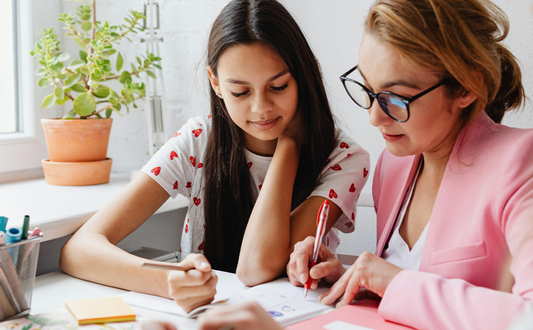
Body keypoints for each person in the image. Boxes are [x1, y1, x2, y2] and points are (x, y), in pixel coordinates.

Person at [59, 0, 370, 314]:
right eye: (240, 92)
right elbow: (79, 250)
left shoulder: (344, 159)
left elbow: (256, 267)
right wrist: (167, 280)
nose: (261, 108)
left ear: (302, 77)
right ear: (216, 83)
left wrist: (289, 146)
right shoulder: (197, 141)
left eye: (278, 86)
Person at [287, 0, 533, 329]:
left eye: (395, 98)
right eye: (369, 90)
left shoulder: (521, 162)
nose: (374, 117)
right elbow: (412, 290)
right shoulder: (393, 166)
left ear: (464, 88)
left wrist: (393, 282)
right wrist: (353, 279)